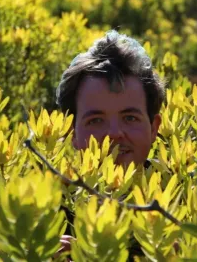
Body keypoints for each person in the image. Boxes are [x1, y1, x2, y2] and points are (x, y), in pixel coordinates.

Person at [55, 30, 165, 255]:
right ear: (71, 132)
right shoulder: (48, 207)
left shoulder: (185, 201)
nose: (114, 133)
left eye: (130, 118)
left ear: (154, 127)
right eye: (96, 120)